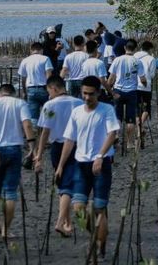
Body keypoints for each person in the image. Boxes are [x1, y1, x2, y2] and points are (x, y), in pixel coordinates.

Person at [55, 76, 119, 258]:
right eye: (84, 93)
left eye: (91, 94)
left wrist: (100, 155)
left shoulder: (106, 110)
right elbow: (69, 140)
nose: (87, 97)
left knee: (99, 208)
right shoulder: (76, 112)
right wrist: (60, 165)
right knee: (78, 208)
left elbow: (112, 133)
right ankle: (97, 234)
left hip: (101, 164)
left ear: (98, 93)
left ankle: (101, 245)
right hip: (80, 164)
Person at [0, 84, 35, 238]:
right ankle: (6, 230)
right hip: (13, 149)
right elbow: (27, 125)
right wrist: (32, 147)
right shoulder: (20, 103)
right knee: (10, 190)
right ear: (13, 93)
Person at [34, 76, 83, 237]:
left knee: (64, 184)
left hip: (56, 147)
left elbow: (44, 132)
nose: (48, 94)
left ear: (54, 88)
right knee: (67, 186)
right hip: (75, 146)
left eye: (49, 91)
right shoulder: (79, 103)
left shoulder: (50, 105)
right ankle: (62, 222)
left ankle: (66, 223)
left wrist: (39, 155)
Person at [108, 39, 146, 148]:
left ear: (125, 48)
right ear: (135, 49)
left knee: (118, 117)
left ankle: (116, 135)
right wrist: (145, 84)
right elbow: (142, 79)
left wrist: (109, 89)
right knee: (130, 118)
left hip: (118, 91)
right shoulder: (137, 61)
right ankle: (129, 143)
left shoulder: (117, 60)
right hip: (131, 92)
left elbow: (111, 78)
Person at [18, 42, 53, 126]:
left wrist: (24, 92)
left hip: (31, 90)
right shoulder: (45, 58)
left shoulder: (25, 60)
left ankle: (35, 134)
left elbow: (23, 78)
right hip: (44, 89)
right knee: (48, 114)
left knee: (33, 116)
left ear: (31, 50)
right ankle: (47, 132)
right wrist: (50, 89)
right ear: (41, 50)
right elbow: (49, 74)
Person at [134, 41, 156, 128]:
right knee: (147, 107)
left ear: (141, 47)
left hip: (135, 85)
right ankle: (141, 124)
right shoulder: (151, 58)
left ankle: (137, 125)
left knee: (136, 107)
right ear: (150, 49)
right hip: (146, 86)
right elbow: (152, 75)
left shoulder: (134, 56)